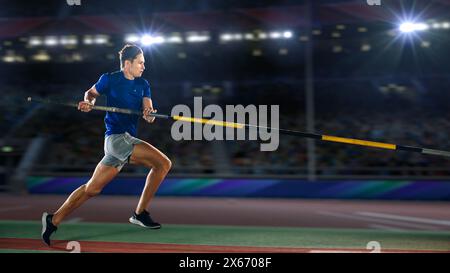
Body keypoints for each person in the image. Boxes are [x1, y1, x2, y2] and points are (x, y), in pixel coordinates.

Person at [41, 44, 172, 246]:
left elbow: (148, 111)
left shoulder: (144, 84)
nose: (143, 66)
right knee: (163, 164)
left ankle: (53, 219)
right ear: (127, 64)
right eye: (140, 62)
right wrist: (89, 103)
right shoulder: (109, 79)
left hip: (122, 143)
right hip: (116, 139)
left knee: (91, 189)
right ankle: (140, 213)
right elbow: (90, 94)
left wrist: (150, 114)